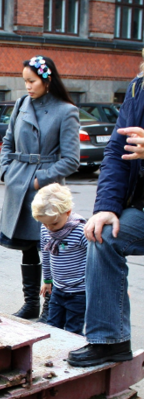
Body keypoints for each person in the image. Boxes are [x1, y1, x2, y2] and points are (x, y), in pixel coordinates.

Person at [66, 58, 144, 367]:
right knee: (103, 236)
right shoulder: (138, 89)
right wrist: (106, 209)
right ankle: (109, 341)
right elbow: (116, 152)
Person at [0, 55, 80, 322]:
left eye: (31, 81)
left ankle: (49, 307)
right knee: (27, 247)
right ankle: (31, 303)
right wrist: (6, 172)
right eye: (24, 82)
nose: (27, 87)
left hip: (46, 189)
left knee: (50, 245)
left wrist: (39, 180)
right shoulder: (22, 104)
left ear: (47, 79)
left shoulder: (66, 110)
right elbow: (8, 141)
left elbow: (71, 160)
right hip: (18, 182)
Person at [31, 184, 87, 334]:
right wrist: (47, 280)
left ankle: (73, 355)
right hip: (58, 288)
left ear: (67, 212)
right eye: (44, 223)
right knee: (52, 325)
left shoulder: (81, 231)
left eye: (54, 223)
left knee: (73, 329)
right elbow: (46, 253)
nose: (49, 228)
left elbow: (97, 259)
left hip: (79, 291)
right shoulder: (46, 229)